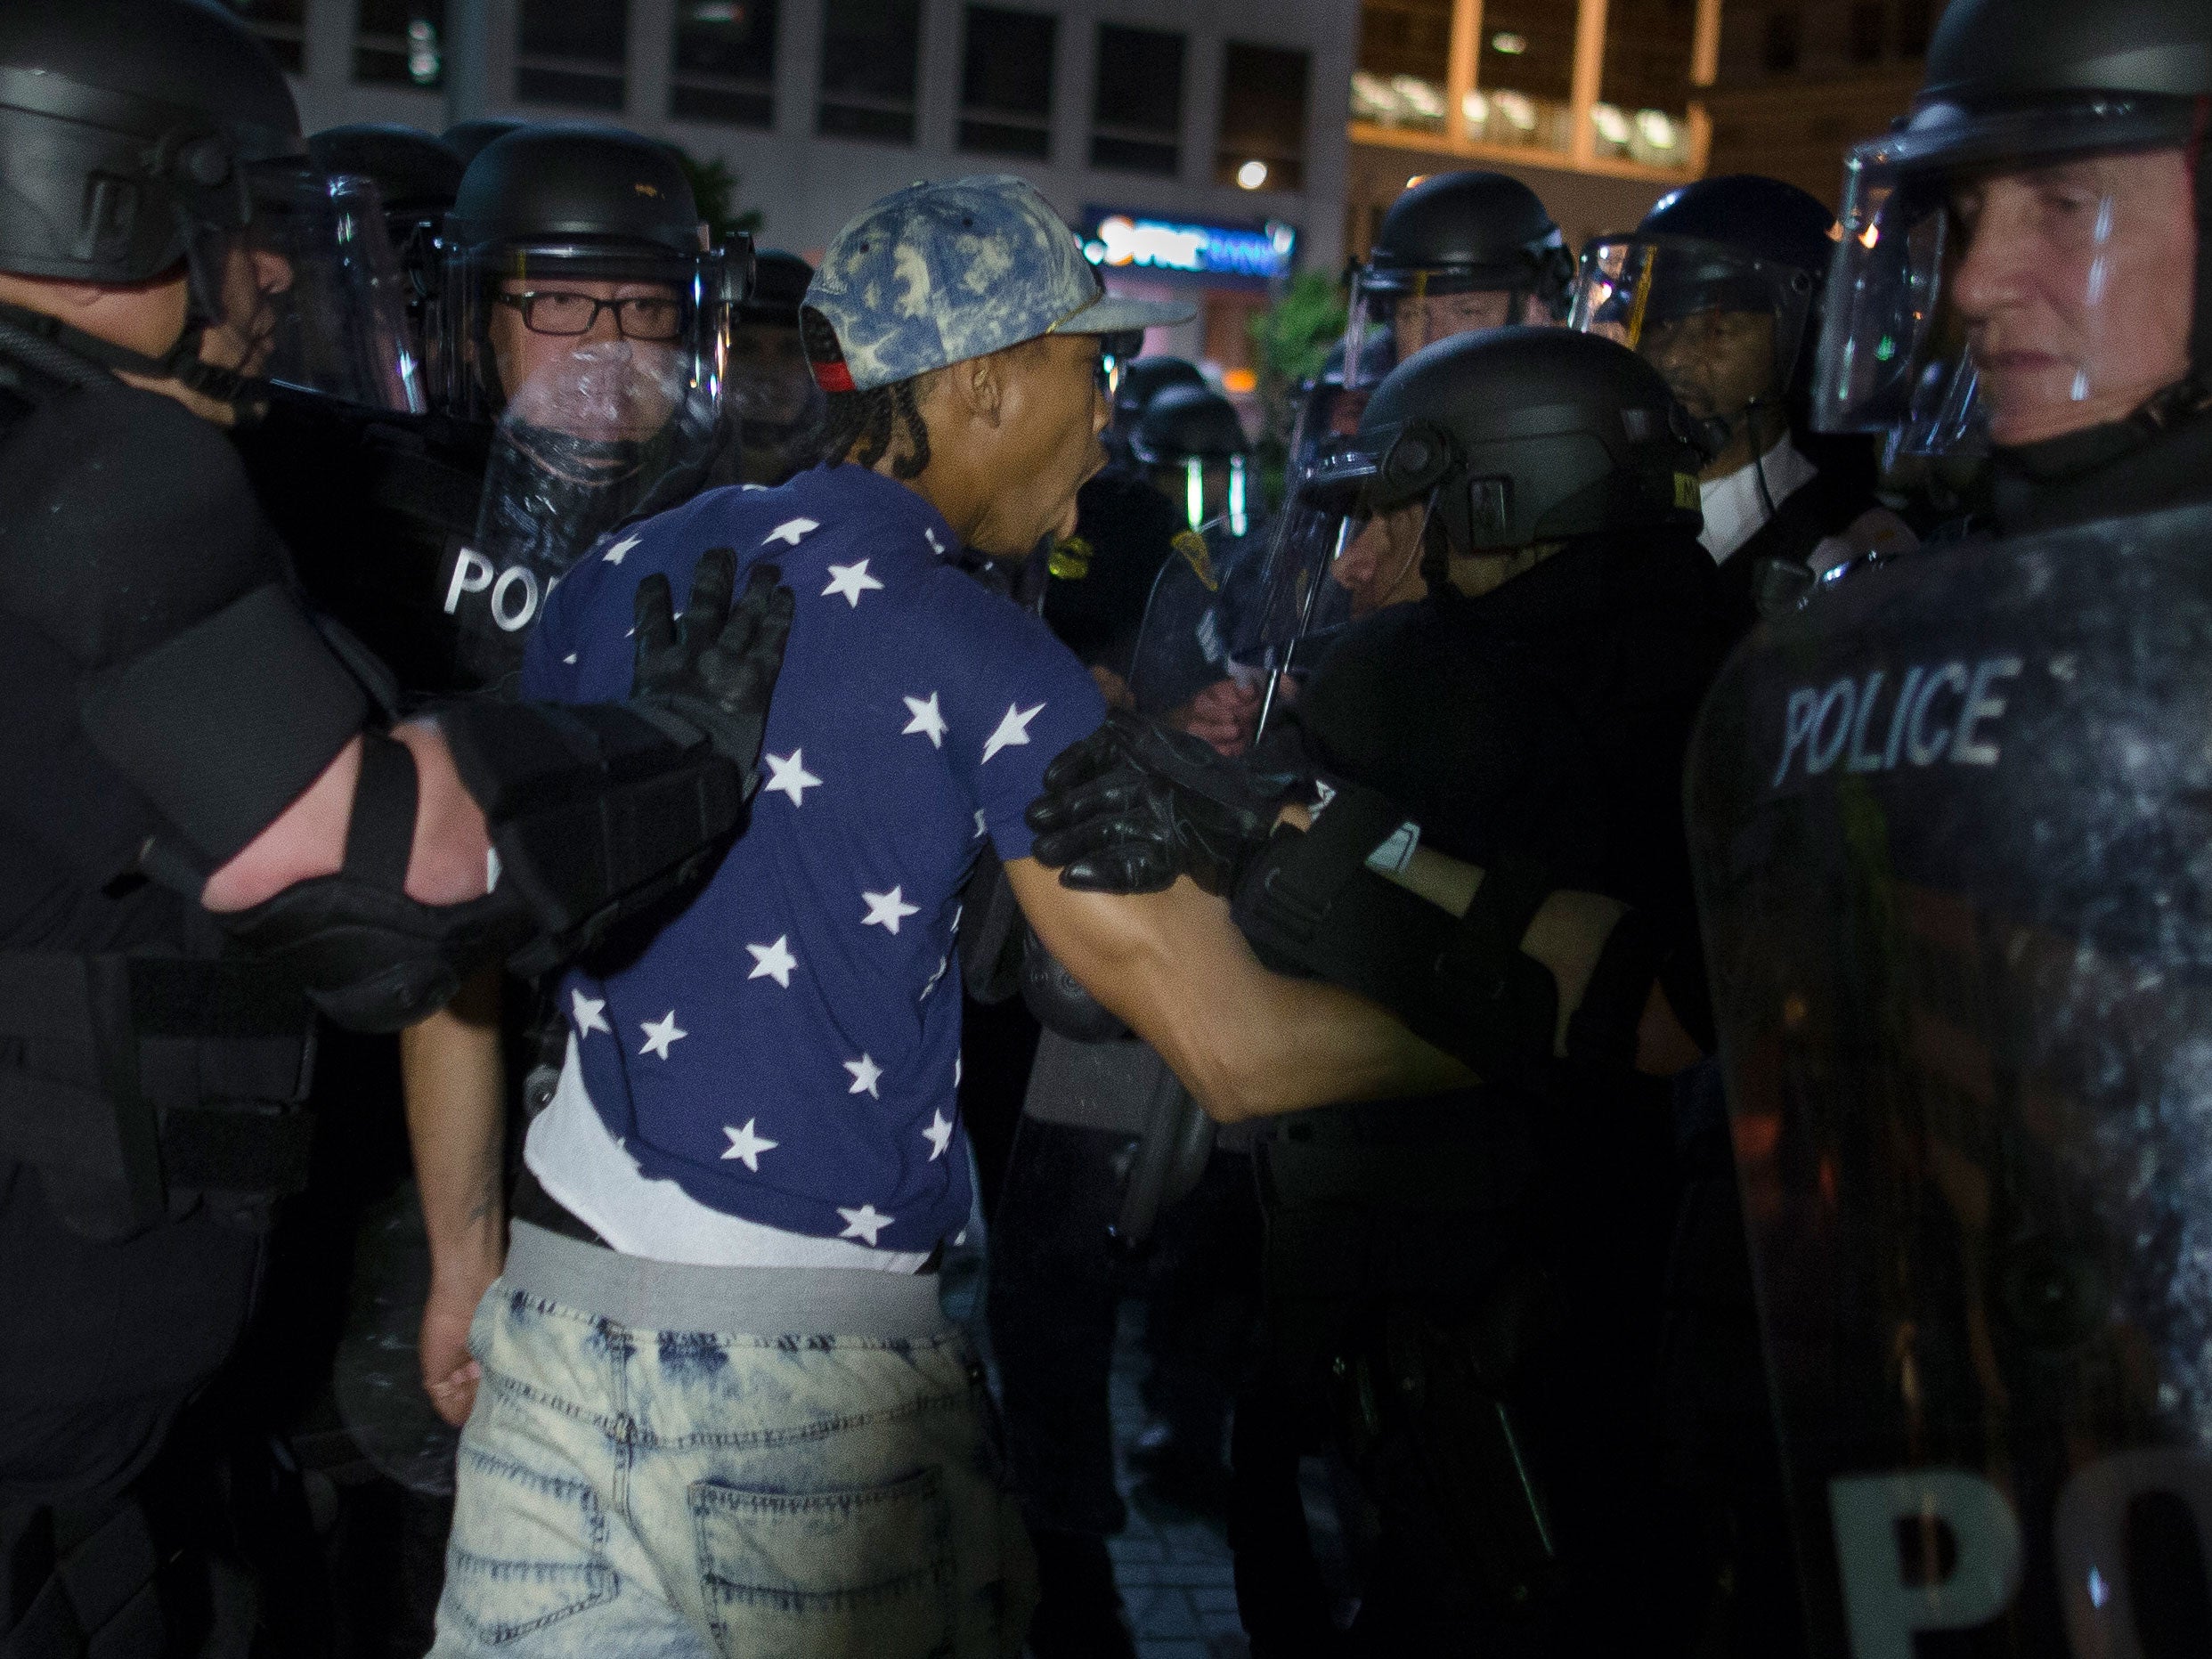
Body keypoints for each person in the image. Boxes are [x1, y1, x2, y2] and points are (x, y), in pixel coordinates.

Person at [427, 173, 1475, 1659]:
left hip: (546, 1336)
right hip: (809, 1407)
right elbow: (1239, 1053)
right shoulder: (980, 650)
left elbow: (447, 925)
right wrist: (1518, 1030)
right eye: (1082, 362)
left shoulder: (613, 570)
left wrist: (459, 1258)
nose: (1107, 410)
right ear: (983, 380)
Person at [0, 5, 796, 1655]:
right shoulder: (98, 467)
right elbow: (389, 888)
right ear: (108, 201)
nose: (272, 276)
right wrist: (679, 751)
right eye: (239, 224)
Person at [1030, 327, 1734, 1654]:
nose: (1355, 561)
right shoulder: (1745, 655)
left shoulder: (1410, 687)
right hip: (1657, 1347)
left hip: (1452, 1327)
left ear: (1507, 493)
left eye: (1395, 518)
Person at [1679, 0, 2212, 1651]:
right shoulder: (1902, 614)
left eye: (2063, 205)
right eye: (1963, 213)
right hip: (1923, 1503)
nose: (1978, 279)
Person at [1571, 174, 1914, 630]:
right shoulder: (1586, 503)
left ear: (1806, 341)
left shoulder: (1848, 554)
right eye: (1660, 324)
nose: (1672, 357)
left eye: (1718, 330)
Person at [729, 248, 825, 486]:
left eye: (790, 349)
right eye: (747, 348)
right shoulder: (681, 474)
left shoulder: (842, 478)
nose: (767, 370)